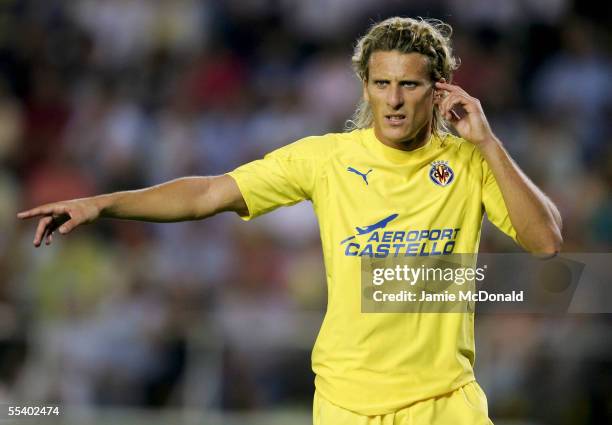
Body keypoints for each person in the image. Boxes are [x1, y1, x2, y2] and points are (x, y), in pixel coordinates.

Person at [18, 17, 562, 425]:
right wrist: (100, 203)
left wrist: (488, 143)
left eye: (410, 85)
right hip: (347, 403)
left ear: (439, 89)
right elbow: (209, 192)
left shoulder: (469, 162)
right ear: (365, 86)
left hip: (447, 405)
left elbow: (546, 243)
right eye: (381, 84)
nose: (393, 101)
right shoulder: (325, 159)